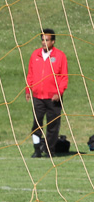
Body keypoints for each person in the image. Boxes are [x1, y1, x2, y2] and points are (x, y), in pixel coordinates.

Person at [26, 28, 69, 158]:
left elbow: (64, 77)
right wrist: (28, 89)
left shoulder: (60, 56)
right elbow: (30, 74)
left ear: (53, 41)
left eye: (47, 40)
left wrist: (59, 92)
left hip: (53, 98)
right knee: (37, 123)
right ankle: (37, 150)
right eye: (42, 40)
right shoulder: (35, 55)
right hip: (38, 96)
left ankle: (49, 150)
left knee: (53, 126)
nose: (44, 42)